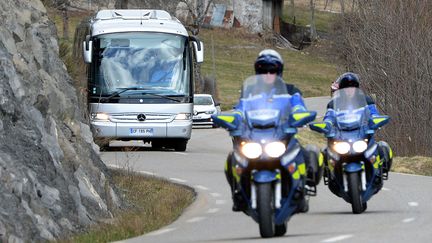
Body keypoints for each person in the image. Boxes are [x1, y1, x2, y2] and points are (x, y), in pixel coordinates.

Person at [225, 49, 323, 212]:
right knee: (232, 159)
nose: (268, 74)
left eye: (272, 70)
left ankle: (303, 186)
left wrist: (300, 114)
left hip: (282, 135)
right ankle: (238, 195)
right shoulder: (249, 93)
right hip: (255, 137)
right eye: (264, 71)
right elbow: (239, 110)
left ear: (279, 71)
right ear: (257, 72)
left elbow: (298, 105)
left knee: (307, 155)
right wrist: (232, 119)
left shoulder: (291, 90)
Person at [323, 72, 393, 174]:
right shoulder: (333, 104)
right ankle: (330, 173)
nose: (350, 90)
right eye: (346, 87)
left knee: (381, 148)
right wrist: (327, 124)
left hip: (362, 134)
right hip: (342, 136)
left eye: (352, 87)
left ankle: (380, 170)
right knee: (326, 153)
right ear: (341, 89)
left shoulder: (366, 100)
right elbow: (329, 117)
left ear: (357, 88)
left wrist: (375, 119)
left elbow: (374, 113)